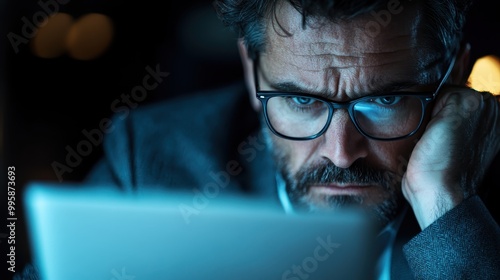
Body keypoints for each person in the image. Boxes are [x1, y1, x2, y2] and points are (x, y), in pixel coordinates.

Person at [15, 0, 500, 279]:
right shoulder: (154, 156)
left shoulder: (475, 215)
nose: (340, 152)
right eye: (302, 102)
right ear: (251, 70)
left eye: (386, 102)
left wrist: (448, 209)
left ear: (455, 75)